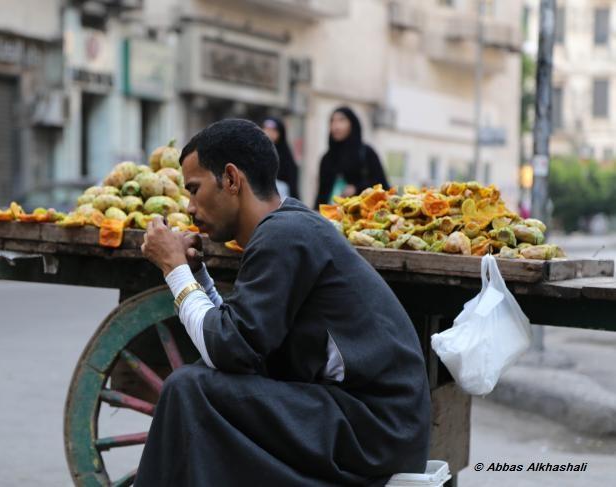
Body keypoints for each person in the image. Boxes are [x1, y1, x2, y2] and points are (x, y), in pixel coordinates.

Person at [138, 119, 430, 487]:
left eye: (194, 190)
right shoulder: (286, 228)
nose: (190, 207)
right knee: (200, 383)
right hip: (368, 422)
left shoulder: (284, 234)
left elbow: (227, 347)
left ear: (231, 179)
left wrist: (174, 268)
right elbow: (242, 339)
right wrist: (196, 277)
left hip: (375, 431)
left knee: (189, 387)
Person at [316, 107, 389, 206]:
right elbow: (321, 194)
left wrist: (357, 188)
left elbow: (382, 185)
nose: (336, 126)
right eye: (332, 121)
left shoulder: (366, 153)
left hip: (362, 215)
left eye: (341, 120)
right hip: (330, 217)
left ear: (352, 124)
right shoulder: (327, 158)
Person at [262, 116, 299, 199]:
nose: (268, 132)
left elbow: (293, 187)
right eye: (266, 129)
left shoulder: (286, 157)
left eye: (273, 130)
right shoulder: (257, 153)